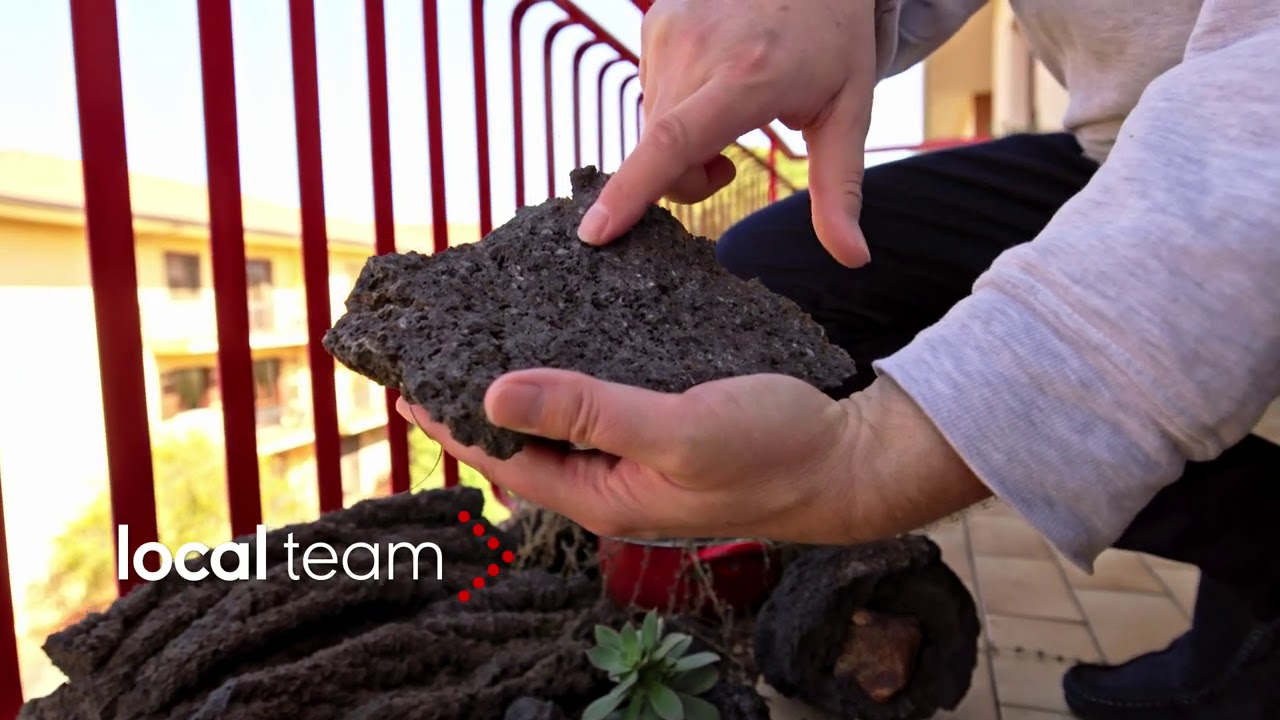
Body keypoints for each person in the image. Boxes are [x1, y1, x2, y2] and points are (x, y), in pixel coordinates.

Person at [398, 0, 1280, 717]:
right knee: (779, 280)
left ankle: (1260, 577)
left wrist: (885, 455)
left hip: (1252, 124)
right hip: (1114, 145)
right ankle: (1254, 553)